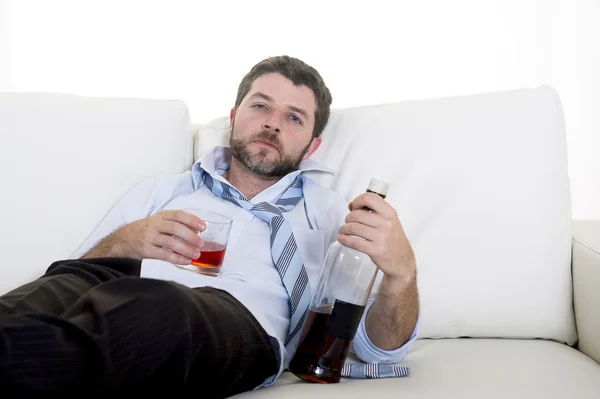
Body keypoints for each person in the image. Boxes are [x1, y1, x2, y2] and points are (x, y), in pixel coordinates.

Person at [0, 56, 419, 396]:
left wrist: (401, 274)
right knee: (48, 291)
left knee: (154, 306)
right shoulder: (164, 191)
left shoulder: (337, 218)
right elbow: (79, 270)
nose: (272, 123)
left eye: (294, 118)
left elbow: (376, 351)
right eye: (261, 106)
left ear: (312, 146)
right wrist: (127, 240)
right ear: (234, 117)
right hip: (112, 283)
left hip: (229, 321)